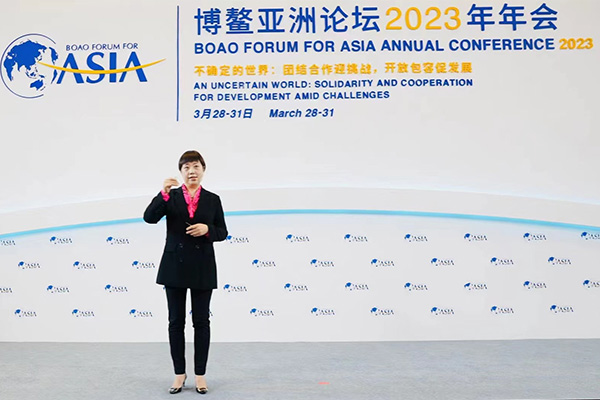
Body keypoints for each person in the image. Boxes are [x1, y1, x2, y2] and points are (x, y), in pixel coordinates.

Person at [143, 150, 228, 394]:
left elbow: (223, 232)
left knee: (201, 322)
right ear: (181, 172)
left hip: (202, 266)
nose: (192, 171)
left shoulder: (213, 199)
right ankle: (179, 374)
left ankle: (200, 375)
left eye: (196, 166)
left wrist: (207, 229)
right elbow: (149, 218)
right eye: (187, 167)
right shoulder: (170, 196)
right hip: (174, 266)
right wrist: (162, 194)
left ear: (203, 169)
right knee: (175, 322)